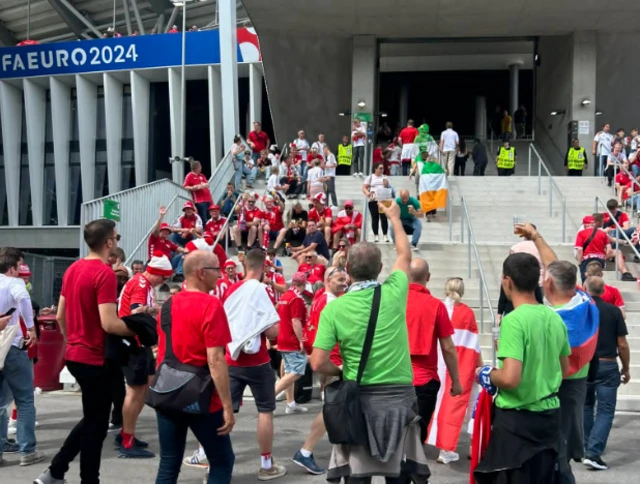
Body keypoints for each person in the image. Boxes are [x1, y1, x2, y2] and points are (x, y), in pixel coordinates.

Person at [311, 200, 431, 484]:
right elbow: (405, 252)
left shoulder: (334, 308)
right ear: (380, 268)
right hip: (400, 396)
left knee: (357, 471)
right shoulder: (395, 291)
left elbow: (317, 362)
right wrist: (394, 218)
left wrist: (340, 371)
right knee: (399, 468)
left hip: (359, 395)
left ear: (348, 268)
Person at [34, 220, 137, 484]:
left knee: (94, 421)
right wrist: (138, 331)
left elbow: (60, 315)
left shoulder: (73, 269)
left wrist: (72, 341)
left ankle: (56, 472)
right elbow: (109, 323)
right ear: (109, 242)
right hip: (96, 357)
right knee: (96, 425)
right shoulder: (104, 274)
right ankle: (80, 477)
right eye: (116, 236)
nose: (117, 240)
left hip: (77, 355)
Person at [473, 252, 571, 484]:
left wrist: (485, 373)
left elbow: (510, 379)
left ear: (507, 281)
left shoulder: (514, 321)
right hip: (549, 419)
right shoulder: (554, 317)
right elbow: (565, 368)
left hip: (517, 423)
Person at [516, 223, 600, 483]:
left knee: (555, 456)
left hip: (554, 388)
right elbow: (556, 266)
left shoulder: (552, 322)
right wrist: (536, 236)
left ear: (548, 283)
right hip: (577, 385)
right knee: (560, 451)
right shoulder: (584, 301)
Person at [153, 250, 235, 484]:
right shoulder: (211, 305)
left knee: (169, 461)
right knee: (222, 460)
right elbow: (215, 360)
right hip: (202, 397)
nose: (219, 275)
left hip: (167, 393)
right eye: (216, 270)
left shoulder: (167, 305)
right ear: (201, 273)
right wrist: (228, 406)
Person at [222, 249, 286, 480]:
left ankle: (213, 463)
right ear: (263, 268)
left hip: (232, 358)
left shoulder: (231, 289)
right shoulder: (261, 289)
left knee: (224, 411)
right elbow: (272, 330)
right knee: (265, 411)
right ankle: (266, 464)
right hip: (257, 360)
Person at [114, 253, 172, 459]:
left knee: (144, 388)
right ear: (155, 272)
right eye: (163, 277)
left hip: (140, 342)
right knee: (136, 391)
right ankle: (127, 440)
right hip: (134, 343)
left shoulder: (143, 283)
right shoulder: (140, 283)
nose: (163, 282)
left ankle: (126, 434)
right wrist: (156, 309)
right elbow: (136, 311)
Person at [292, 267, 348, 475]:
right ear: (328, 280)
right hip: (333, 359)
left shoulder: (319, 299)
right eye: (340, 279)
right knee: (331, 408)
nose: (345, 283)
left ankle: (337, 451)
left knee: (333, 406)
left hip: (325, 357)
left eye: (346, 279)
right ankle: (306, 451)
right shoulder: (332, 301)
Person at [405, 259, 462, 445]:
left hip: (394, 378)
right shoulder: (436, 306)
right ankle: (410, 470)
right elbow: (448, 348)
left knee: (395, 436)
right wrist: (456, 381)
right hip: (424, 381)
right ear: (428, 277)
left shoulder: (393, 303)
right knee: (416, 439)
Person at [428, 277, 483, 464]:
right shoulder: (466, 313)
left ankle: (430, 444)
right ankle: (470, 446)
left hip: (436, 365)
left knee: (435, 404)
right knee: (467, 406)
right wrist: (479, 365)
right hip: (461, 366)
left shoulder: (436, 307)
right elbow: (473, 344)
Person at [0, 248, 43, 467]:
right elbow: (24, 298)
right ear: (13, 267)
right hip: (13, 347)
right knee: (25, 399)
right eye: (19, 265)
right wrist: (31, 327)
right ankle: (28, 451)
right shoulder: (13, 283)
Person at [583, 276, 630, 471]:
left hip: (585, 364)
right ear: (604, 291)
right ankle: (593, 452)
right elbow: (622, 344)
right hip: (607, 364)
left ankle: (587, 446)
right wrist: (626, 368)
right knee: (605, 410)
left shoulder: (581, 311)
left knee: (585, 406)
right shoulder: (614, 312)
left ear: (586, 289)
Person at [274, 272, 310, 414]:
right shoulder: (296, 298)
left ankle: (290, 403)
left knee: (289, 372)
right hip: (291, 339)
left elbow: (276, 310)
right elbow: (296, 320)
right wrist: (301, 341)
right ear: (303, 284)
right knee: (296, 372)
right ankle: (269, 398)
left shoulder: (285, 296)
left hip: (283, 338)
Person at [363, 163, 390, 243]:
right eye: (380, 168)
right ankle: (376, 235)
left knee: (384, 218)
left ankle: (385, 235)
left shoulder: (385, 177)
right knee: (375, 218)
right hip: (373, 199)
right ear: (375, 169)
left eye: (382, 168)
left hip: (383, 200)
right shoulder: (371, 177)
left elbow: (388, 186)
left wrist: (386, 183)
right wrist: (367, 193)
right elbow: (364, 187)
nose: (382, 170)